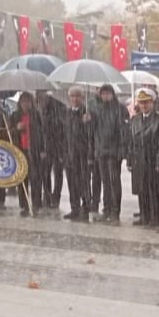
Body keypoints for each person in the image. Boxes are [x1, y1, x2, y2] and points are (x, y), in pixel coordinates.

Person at [129, 88, 159, 226]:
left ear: (152, 103)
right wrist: (130, 159)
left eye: (146, 102)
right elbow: (131, 141)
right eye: (141, 103)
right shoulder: (135, 119)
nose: (144, 105)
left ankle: (154, 216)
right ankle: (144, 215)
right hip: (139, 158)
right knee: (142, 189)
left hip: (154, 159)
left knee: (154, 190)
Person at [90, 84, 130, 223]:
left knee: (114, 182)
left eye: (108, 93)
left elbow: (123, 131)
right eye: (103, 94)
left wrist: (121, 149)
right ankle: (106, 209)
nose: (105, 96)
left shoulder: (120, 109)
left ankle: (115, 211)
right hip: (101, 151)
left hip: (113, 152)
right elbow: (93, 131)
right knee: (105, 182)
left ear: (112, 94)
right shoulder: (97, 109)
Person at [62, 86, 95, 222]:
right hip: (70, 153)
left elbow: (91, 136)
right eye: (72, 96)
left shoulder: (87, 113)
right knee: (72, 183)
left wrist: (88, 123)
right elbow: (64, 134)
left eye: (77, 96)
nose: (75, 99)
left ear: (82, 98)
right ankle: (74, 207)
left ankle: (86, 207)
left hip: (83, 154)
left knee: (84, 182)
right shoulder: (67, 113)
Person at [11, 92, 45, 217]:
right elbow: (10, 132)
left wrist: (42, 150)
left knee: (36, 178)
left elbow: (42, 133)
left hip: (34, 150)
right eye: (23, 102)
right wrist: (16, 129)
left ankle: (36, 203)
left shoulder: (36, 115)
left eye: (28, 102)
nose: (25, 104)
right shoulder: (15, 116)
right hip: (20, 150)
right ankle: (24, 204)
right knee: (22, 178)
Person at [36, 91, 67, 209]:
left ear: (47, 96)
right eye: (39, 100)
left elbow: (63, 128)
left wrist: (62, 149)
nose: (40, 102)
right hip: (45, 146)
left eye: (42, 99)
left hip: (58, 146)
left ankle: (56, 197)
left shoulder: (59, 108)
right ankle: (47, 195)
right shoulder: (40, 110)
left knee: (58, 173)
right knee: (45, 173)